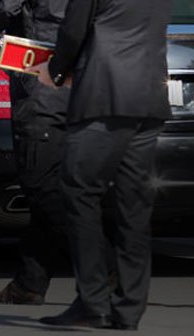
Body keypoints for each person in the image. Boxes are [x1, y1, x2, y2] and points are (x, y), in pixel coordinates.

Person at [30, 0, 172, 329]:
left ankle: (92, 302)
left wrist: (55, 71)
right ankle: (129, 309)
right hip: (149, 97)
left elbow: (73, 30)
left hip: (103, 96)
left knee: (79, 191)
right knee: (134, 205)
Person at [0, 0, 71, 305]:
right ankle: (29, 283)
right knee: (49, 191)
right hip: (84, 89)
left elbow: (5, 6)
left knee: (41, 187)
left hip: (41, 88)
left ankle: (107, 264)